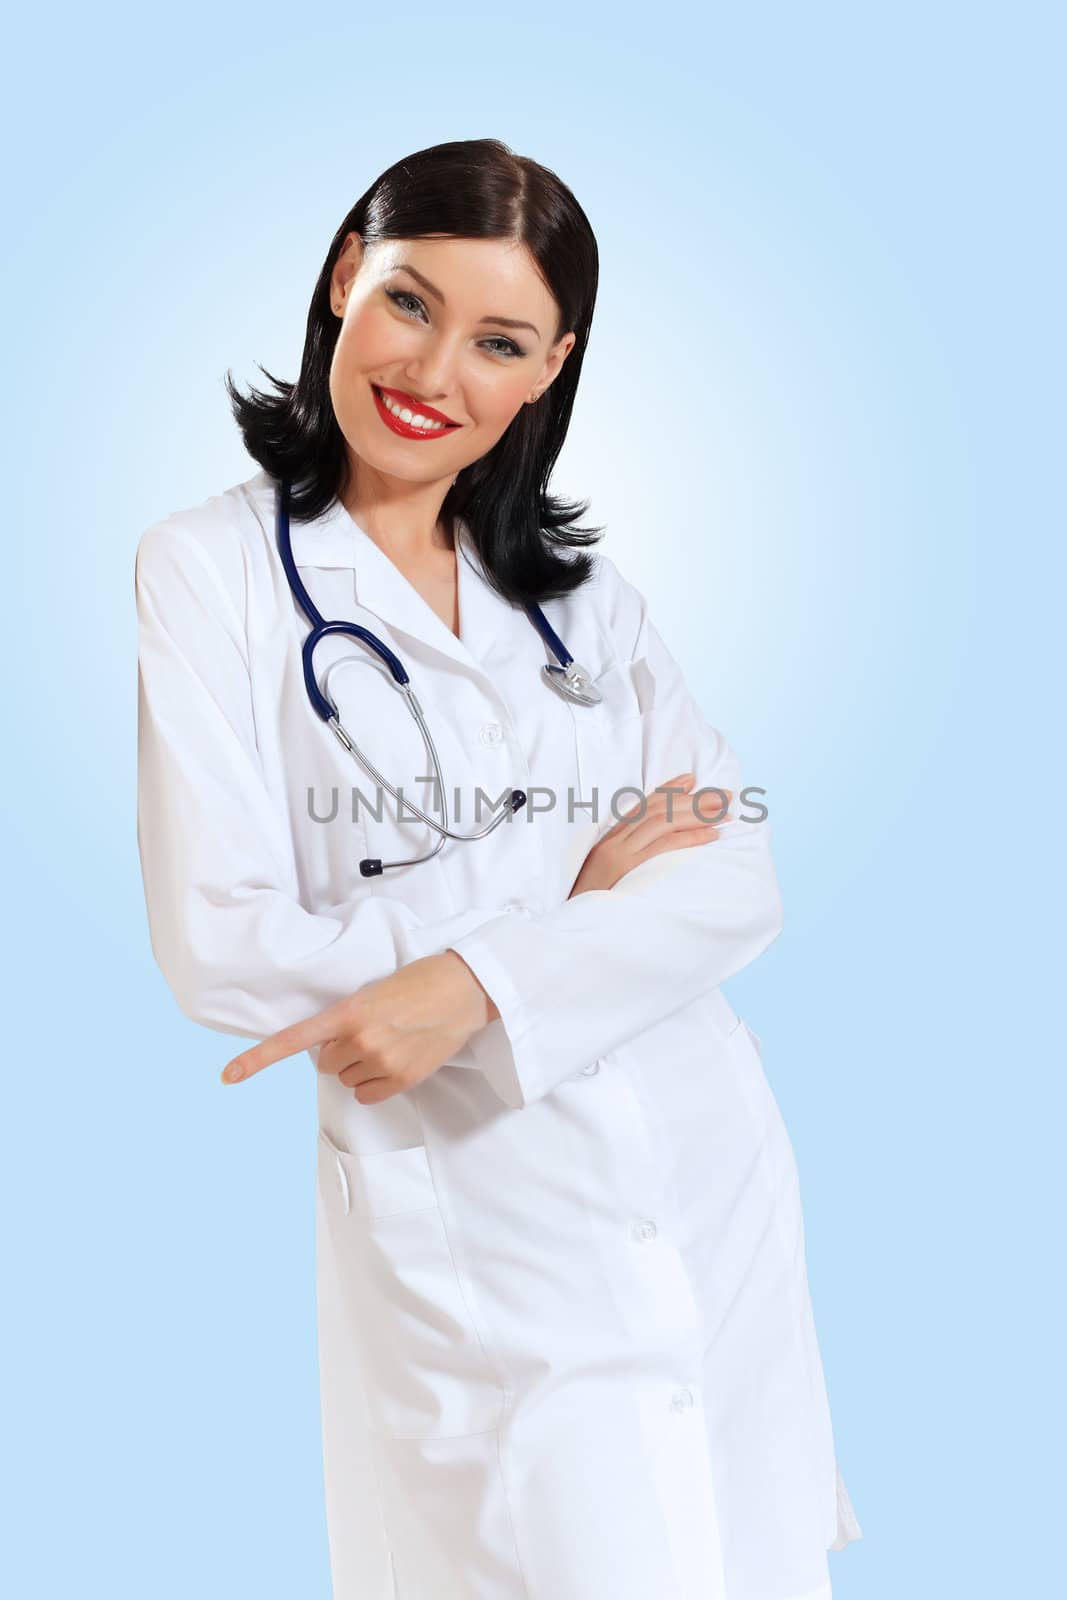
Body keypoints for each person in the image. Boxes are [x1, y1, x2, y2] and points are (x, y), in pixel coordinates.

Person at [135, 136, 862, 1599]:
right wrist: (575, 900)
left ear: (550, 369)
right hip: (476, 1221)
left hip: (705, 1189)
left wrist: (471, 976)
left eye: (500, 341)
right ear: (346, 276)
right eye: (409, 303)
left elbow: (736, 874)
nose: (435, 371)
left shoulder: (584, 601)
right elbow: (221, 941)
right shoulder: (210, 572)